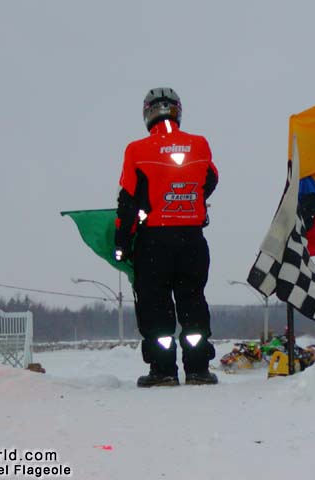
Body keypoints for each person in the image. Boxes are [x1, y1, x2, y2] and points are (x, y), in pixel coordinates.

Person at [114, 87, 219, 387]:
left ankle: (163, 370)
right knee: (193, 301)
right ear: (178, 111)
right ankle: (198, 369)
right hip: (192, 240)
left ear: (148, 113)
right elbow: (211, 179)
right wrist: (191, 201)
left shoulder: (137, 150)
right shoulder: (199, 145)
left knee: (156, 307)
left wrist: (122, 242)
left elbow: (128, 200)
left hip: (154, 243)